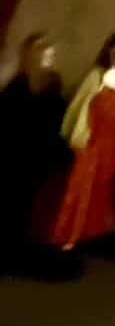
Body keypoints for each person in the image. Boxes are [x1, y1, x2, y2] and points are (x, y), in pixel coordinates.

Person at [34, 31, 115, 252]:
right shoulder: (96, 75)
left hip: (111, 144)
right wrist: (78, 134)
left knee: (98, 189)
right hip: (91, 140)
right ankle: (65, 233)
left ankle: (84, 232)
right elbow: (81, 106)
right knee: (79, 186)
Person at [0, 34, 66, 266]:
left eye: (51, 54)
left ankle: (13, 248)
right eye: (44, 52)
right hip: (14, 155)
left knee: (24, 205)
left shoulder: (52, 86)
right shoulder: (17, 84)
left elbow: (54, 120)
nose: (49, 58)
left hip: (37, 156)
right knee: (9, 201)